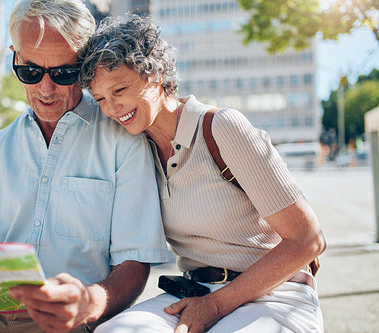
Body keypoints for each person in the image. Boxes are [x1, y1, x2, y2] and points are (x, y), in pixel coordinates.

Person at [0, 3, 168, 333]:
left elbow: (133, 264)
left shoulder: (125, 143)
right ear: (14, 56)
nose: (45, 90)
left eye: (63, 73)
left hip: (71, 319)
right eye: (31, 72)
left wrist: (87, 304)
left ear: (86, 65)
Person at [79, 14, 327, 333]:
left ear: (157, 73)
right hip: (194, 291)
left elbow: (308, 239)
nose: (112, 109)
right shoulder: (134, 148)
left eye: (120, 90)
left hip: (275, 294)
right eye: (100, 99)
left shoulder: (222, 127)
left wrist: (216, 305)